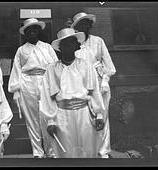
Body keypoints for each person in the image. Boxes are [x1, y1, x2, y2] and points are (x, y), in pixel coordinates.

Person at [39, 28, 106, 158]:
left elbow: (95, 92)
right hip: (62, 115)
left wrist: (99, 114)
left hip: (84, 113)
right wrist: (51, 121)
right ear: (60, 48)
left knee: (87, 150)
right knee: (65, 152)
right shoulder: (52, 69)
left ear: (77, 46)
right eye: (64, 44)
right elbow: (47, 97)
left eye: (71, 43)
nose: (68, 47)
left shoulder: (86, 65)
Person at [8, 18, 59, 158]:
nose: (32, 31)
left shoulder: (47, 47)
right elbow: (17, 70)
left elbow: (55, 67)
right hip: (27, 83)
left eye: (34, 29)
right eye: (28, 29)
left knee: (48, 116)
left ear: (38, 30)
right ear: (25, 32)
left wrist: (56, 87)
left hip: (45, 82)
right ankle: (37, 151)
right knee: (32, 119)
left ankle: (51, 150)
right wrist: (16, 91)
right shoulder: (21, 50)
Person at [71, 12, 116, 158]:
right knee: (85, 118)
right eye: (81, 24)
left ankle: (103, 151)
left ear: (90, 25)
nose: (84, 26)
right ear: (76, 27)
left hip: (98, 80)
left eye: (87, 23)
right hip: (81, 84)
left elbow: (107, 63)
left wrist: (105, 80)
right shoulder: (74, 42)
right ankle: (89, 151)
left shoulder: (98, 41)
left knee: (101, 116)